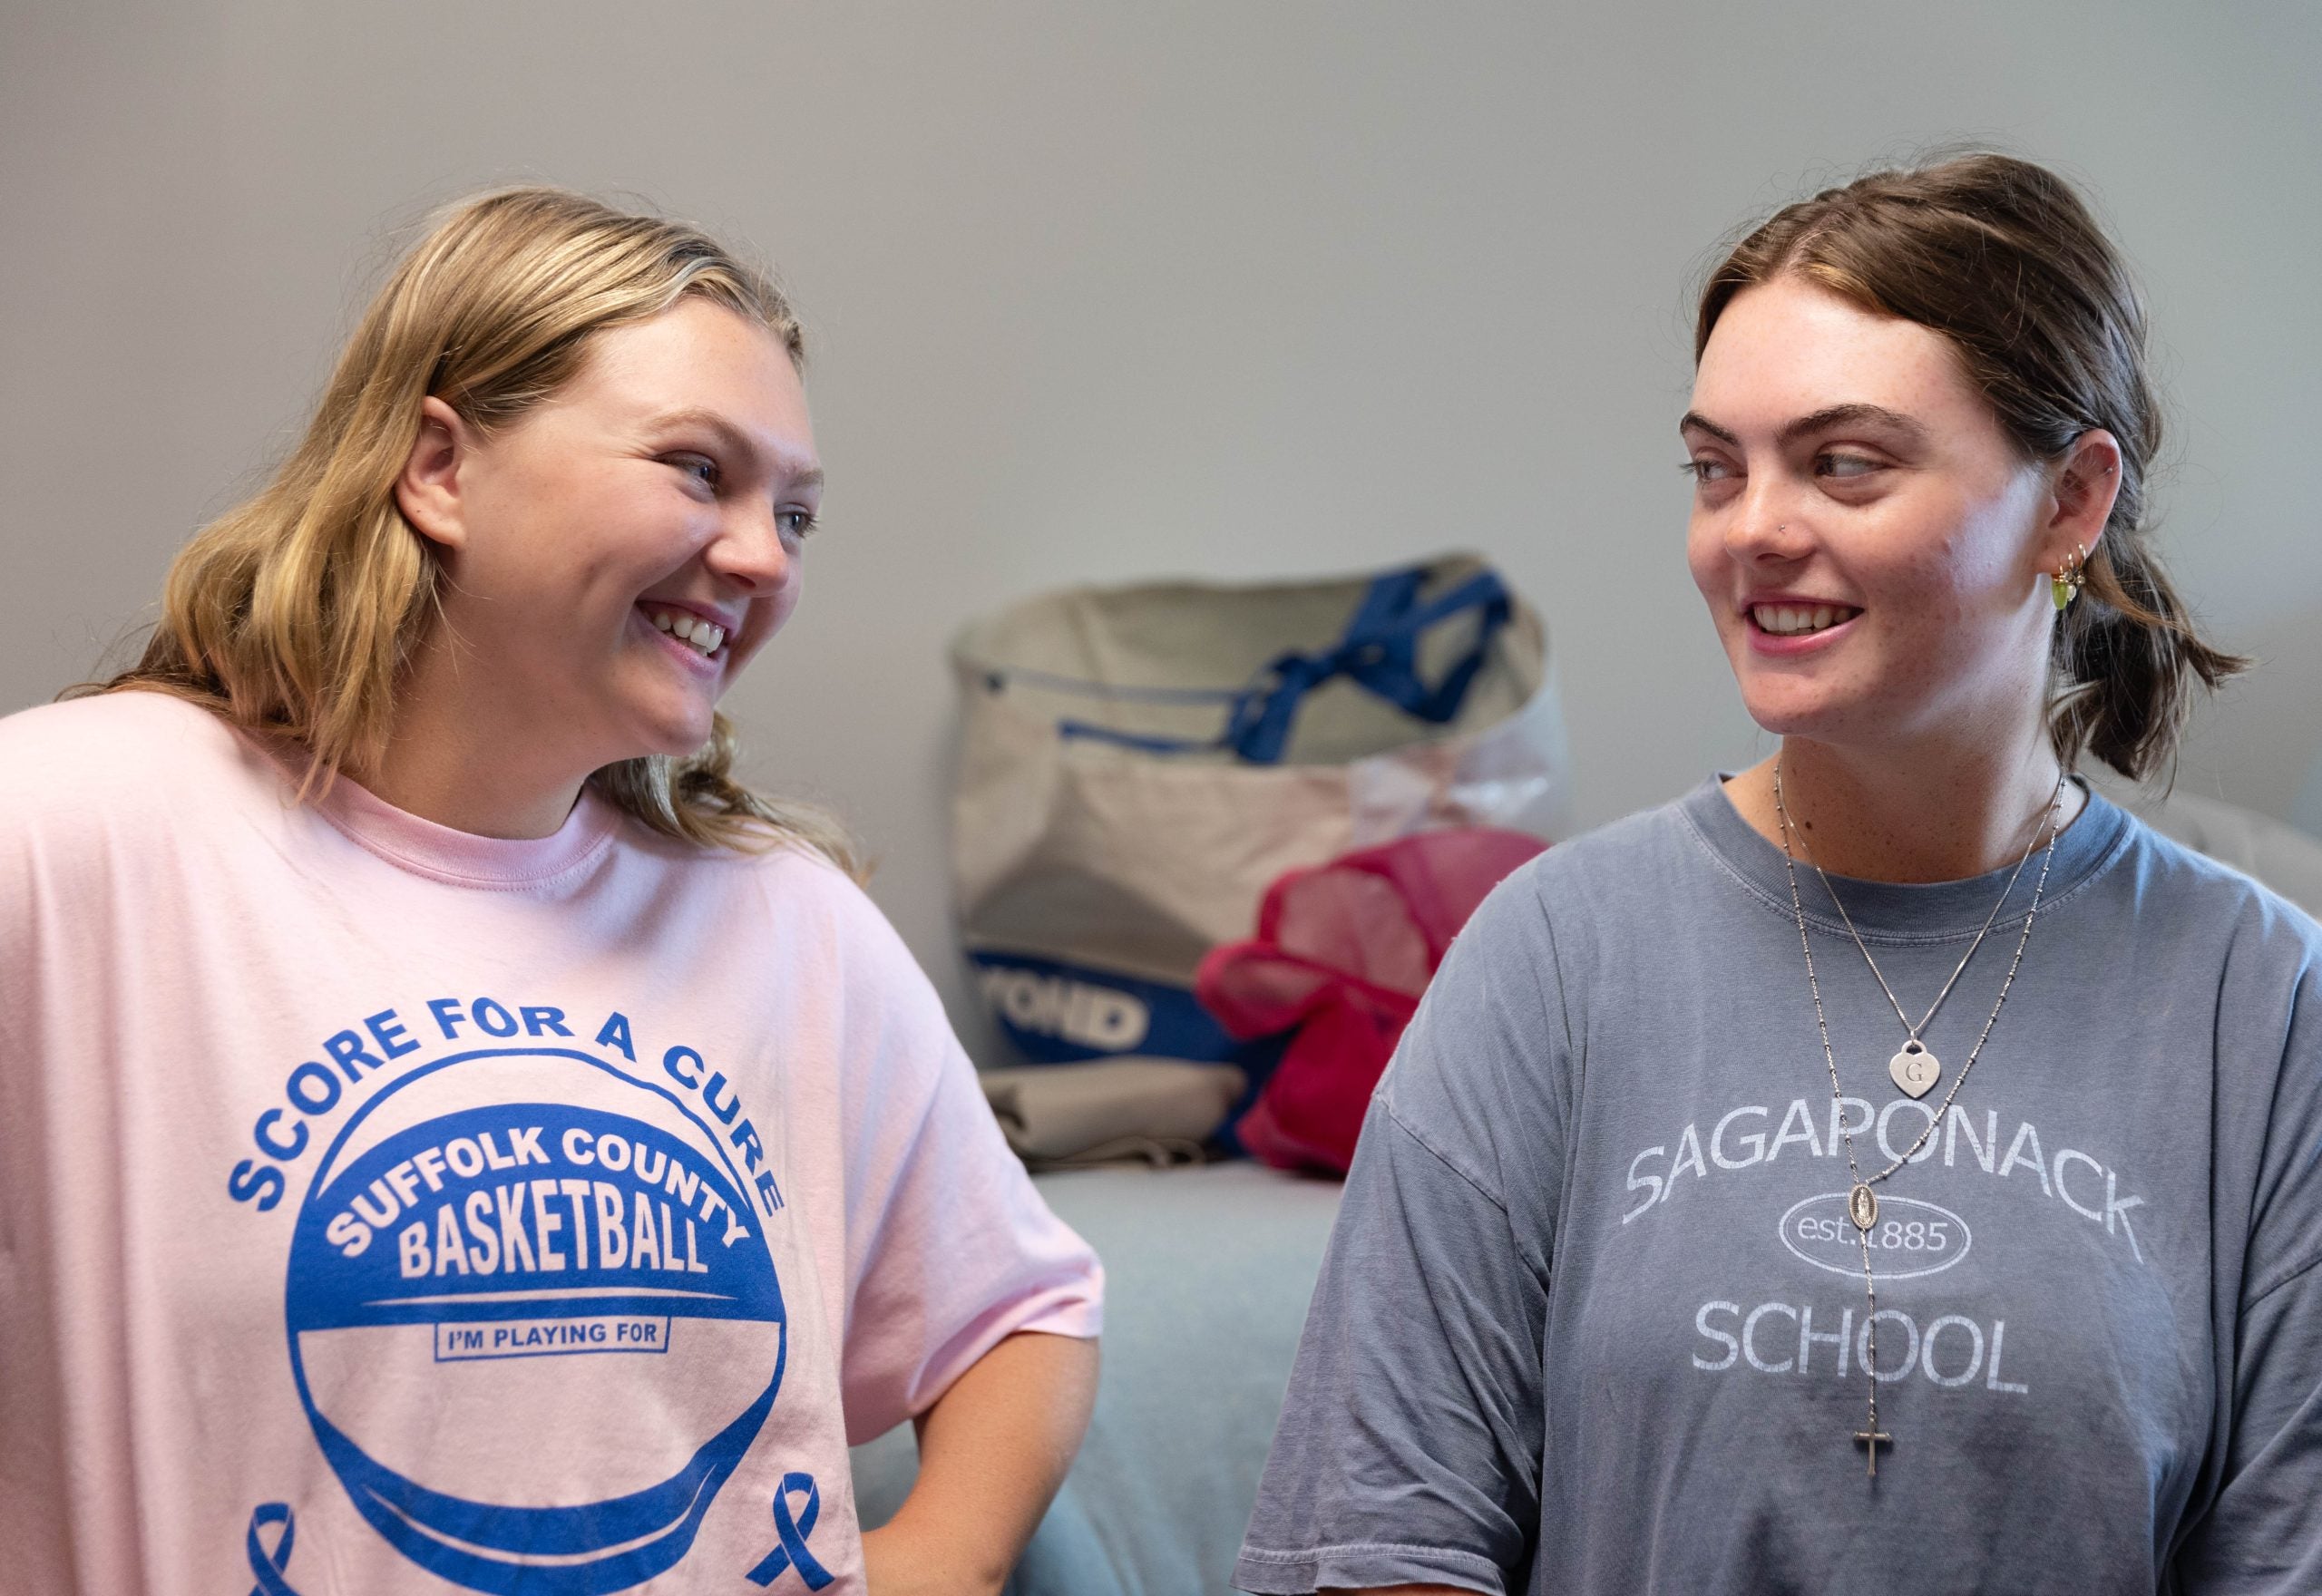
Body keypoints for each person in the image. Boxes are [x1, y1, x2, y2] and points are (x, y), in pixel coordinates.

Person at [1235, 153, 2321, 1594]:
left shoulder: (2263, 1006)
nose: (1751, 528)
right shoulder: (1556, 958)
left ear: (2071, 502)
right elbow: (1385, 1544)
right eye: (1714, 466)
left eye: (1845, 462)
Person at [0, 188, 1101, 1596]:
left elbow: (1028, 1308)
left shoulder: (783, 922)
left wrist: (940, 1563)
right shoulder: (77, 831)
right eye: (700, 471)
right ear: (442, 468)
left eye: (798, 513)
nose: (765, 555)